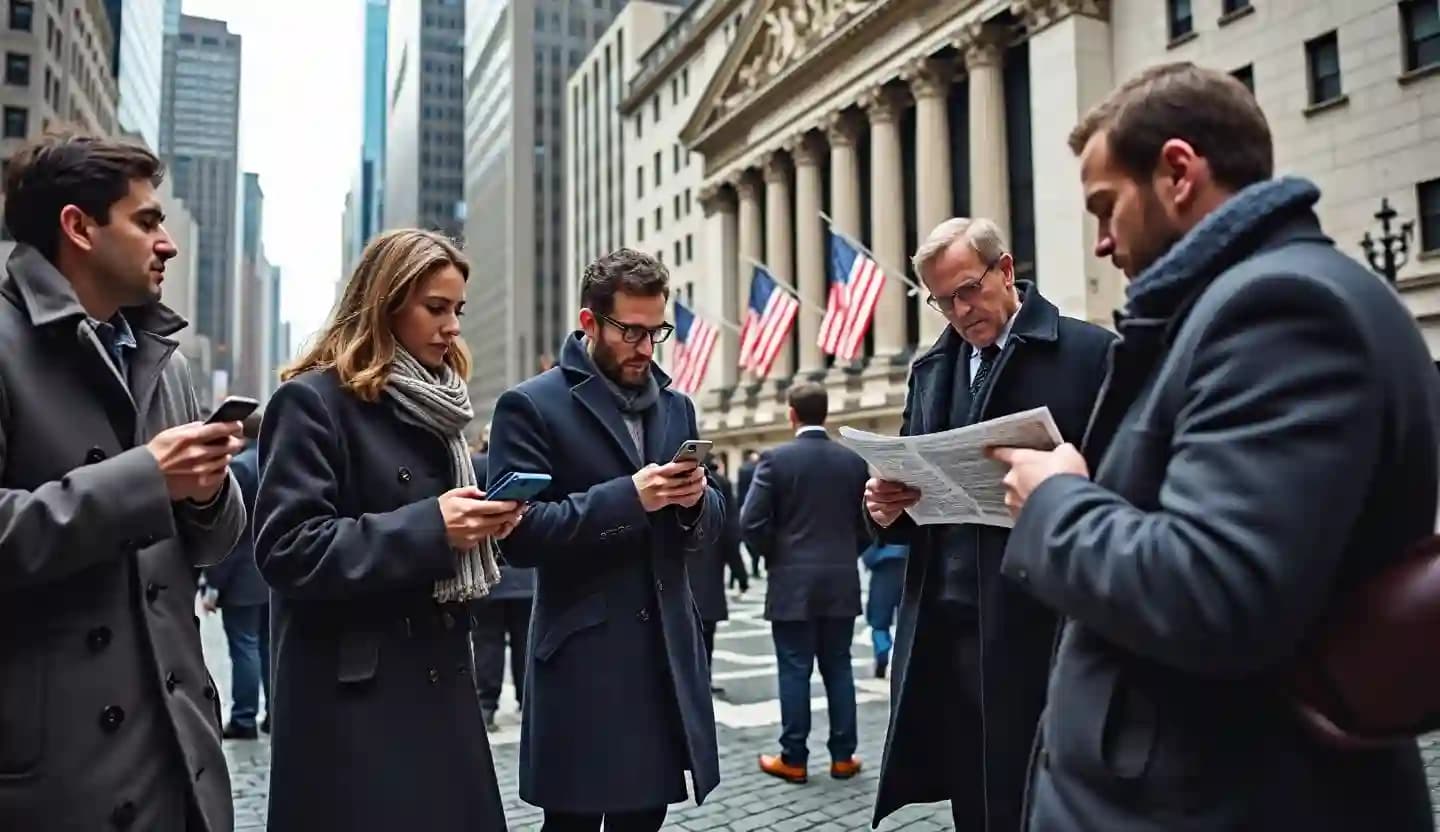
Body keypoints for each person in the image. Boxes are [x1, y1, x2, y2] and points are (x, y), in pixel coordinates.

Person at [988, 62, 1439, 831]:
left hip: (1227, 799)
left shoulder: (1281, 310)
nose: (1100, 242)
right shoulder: (1231, 309)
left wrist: (1057, 499)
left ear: (1177, 172)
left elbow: (1218, 590)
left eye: (1106, 207)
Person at [0, 132, 245, 830]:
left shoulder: (167, 363)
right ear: (77, 227)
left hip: (174, 755)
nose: (166, 242)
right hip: (54, 777)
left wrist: (205, 493)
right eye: (146, 221)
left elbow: (215, 543)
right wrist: (144, 479)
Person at [253, 229, 522, 831]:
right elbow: (286, 549)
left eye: (458, 309)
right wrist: (433, 527)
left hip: (440, 684)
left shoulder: (441, 408)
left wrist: (478, 521)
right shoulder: (311, 402)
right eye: (435, 307)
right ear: (384, 302)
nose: (452, 326)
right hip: (356, 704)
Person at [864, 217, 1114, 831]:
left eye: (969, 288)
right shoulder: (931, 370)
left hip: (1041, 624)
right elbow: (911, 484)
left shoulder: (1090, 353)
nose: (960, 309)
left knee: (1038, 799)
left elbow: (1122, 484)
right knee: (972, 799)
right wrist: (885, 507)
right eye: (943, 299)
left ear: (1005, 270)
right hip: (945, 629)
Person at [487, 248, 723, 832]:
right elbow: (516, 534)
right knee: (570, 824)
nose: (646, 348)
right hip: (581, 663)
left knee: (645, 820)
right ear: (590, 322)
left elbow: (708, 523)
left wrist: (696, 501)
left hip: (663, 658)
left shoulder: (677, 407)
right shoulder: (530, 405)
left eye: (656, 332)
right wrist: (629, 498)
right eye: (631, 332)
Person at [742, 382, 870, 784]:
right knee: (839, 667)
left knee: (795, 670)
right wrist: (847, 553)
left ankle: (793, 758)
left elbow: (750, 522)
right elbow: (868, 524)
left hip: (791, 582)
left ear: (791, 413)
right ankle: (844, 756)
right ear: (825, 414)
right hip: (841, 580)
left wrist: (774, 555)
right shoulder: (852, 463)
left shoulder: (775, 460)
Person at [201, 410, 271, 739]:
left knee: (244, 647)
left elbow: (228, 529)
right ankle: (274, 714)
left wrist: (213, 582)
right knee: (270, 648)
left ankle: (244, 718)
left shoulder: (241, 468)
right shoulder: (275, 461)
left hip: (242, 576)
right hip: (273, 574)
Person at [470, 431, 535, 731]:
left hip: (489, 575)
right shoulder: (522, 469)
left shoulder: (474, 466)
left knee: (488, 643)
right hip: (523, 575)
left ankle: (486, 707)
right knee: (523, 642)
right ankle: (527, 700)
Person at [691, 453, 748, 695]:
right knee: (706, 631)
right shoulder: (719, 484)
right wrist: (740, 574)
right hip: (709, 569)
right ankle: (704, 678)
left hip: (678, 567)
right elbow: (731, 533)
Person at [860, 542, 906, 679]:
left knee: (879, 621)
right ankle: (905, 662)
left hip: (883, 564)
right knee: (909, 623)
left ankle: (882, 655)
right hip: (913, 562)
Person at [736, 449, 762, 579]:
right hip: (756, 506)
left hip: (744, 506)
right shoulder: (757, 469)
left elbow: (741, 490)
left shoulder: (742, 469)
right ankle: (755, 568)